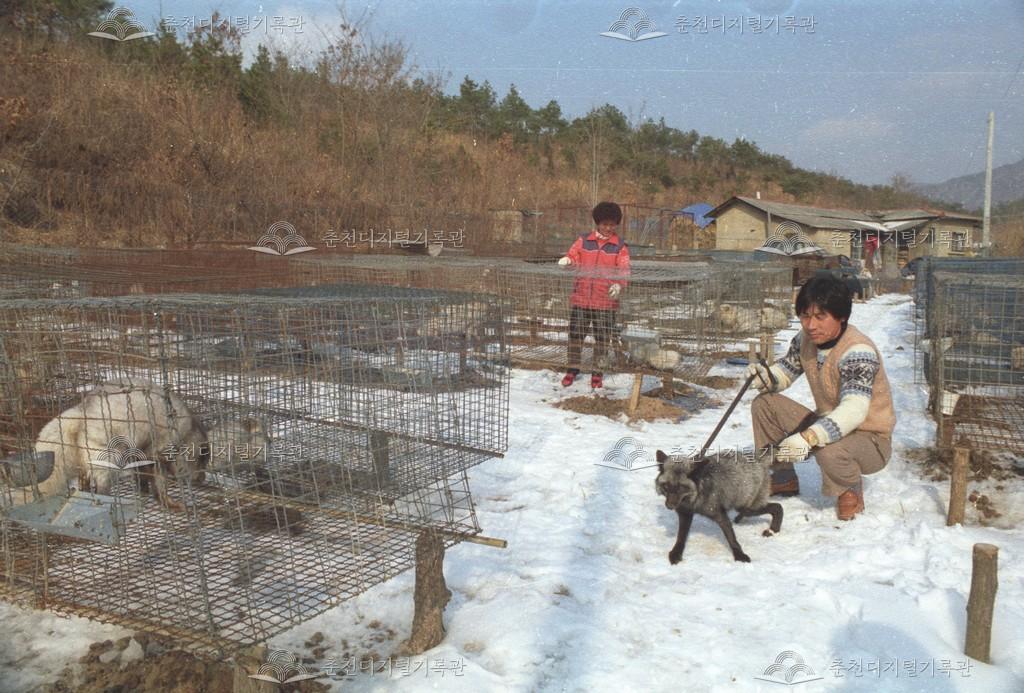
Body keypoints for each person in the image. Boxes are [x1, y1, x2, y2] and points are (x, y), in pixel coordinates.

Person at [746, 275, 895, 520]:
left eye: (820, 316)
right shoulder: (806, 339)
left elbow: (854, 410)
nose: (811, 325)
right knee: (764, 404)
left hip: (870, 439)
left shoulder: (858, 351)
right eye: (805, 316)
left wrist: (809, 437)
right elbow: (787, 369)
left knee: (828, 449)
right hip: (829, 421)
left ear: (842, 316)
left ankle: (849, 489)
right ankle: (783, 477)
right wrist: (766, 377)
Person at [557, 201, 631, 389]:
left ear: (616, 225)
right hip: (581, 298)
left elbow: (624, 270)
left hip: (605, 301)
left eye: (612, 224)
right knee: (575, 335)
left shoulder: (619, 246)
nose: (608, 228)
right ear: (597, 223)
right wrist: (568, 261)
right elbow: (574, 257)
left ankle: (597, 373)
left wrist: (618, 285)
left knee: (602, 338)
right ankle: (572, 369)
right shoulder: (584, 241)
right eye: (604, 224)